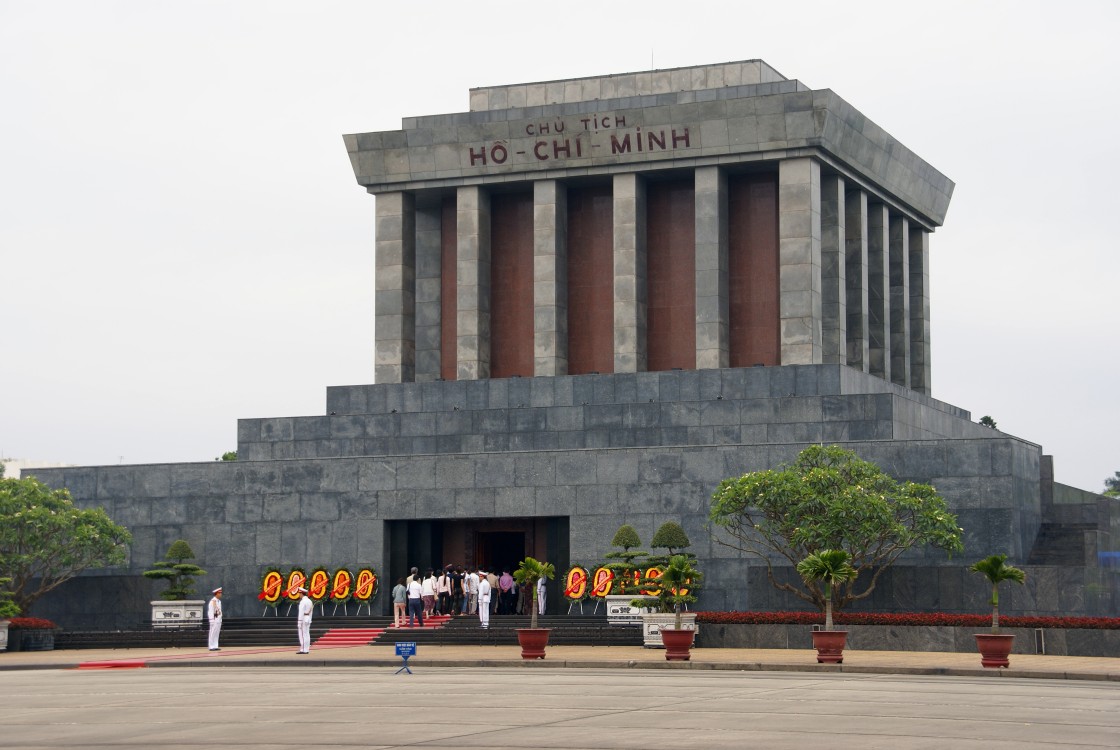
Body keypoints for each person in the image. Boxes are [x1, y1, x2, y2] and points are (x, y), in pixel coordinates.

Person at [296, 587, 313, 654]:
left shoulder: (303, 601)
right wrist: (310, 619)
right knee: (307, 634)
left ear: (301, 593)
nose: (299, 595)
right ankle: (307, 649)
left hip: (303, 619)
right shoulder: (310, 601)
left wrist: (299, 622)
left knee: (302, 634)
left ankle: (303, 649)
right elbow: (311, 612)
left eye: (299, 593)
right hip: (308, 618)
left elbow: (301, 612)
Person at [207, 587, 223, 651]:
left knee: (217, 633)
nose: (221, 594)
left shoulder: (219, 601)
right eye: (220, 593)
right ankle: (211, 646)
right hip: (214, 619)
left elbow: (219, 610)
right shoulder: (212, 601)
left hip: (218, 619)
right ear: (217, 594)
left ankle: (215, 645)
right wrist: (211, 620)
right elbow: (210, 611)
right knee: (212, 633)